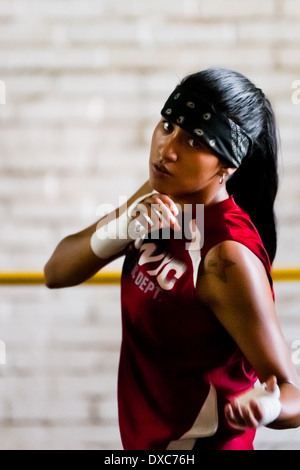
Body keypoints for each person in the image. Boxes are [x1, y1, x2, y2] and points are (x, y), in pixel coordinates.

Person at [44, 67, 300, 450]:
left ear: (227, 166)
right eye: (168, 125)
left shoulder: (226, 254)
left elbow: (291, 392)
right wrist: (122, 227)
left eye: (196, 140)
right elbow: (56, 271)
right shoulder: (160, 192)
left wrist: (267, 406)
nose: (168, 149)